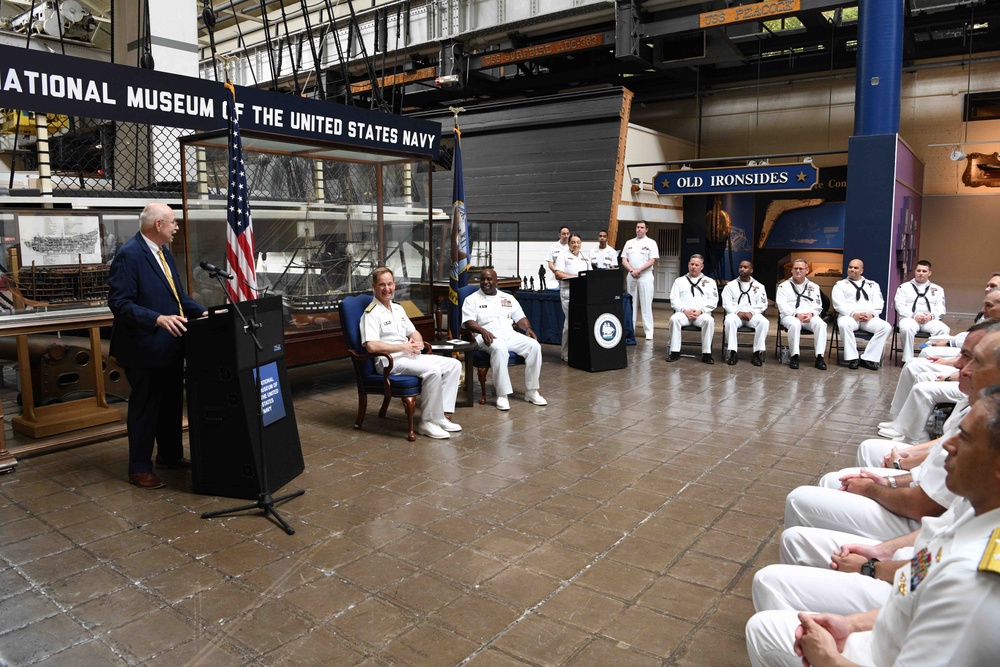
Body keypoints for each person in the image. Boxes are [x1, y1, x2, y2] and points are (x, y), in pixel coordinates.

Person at [746, 386, 1000, 667]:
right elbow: (917, 578)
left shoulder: (973, 581)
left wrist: (827, 658)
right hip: (886, 632)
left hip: (884, 656)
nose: (948, 446)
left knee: (765, 631)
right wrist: (851, 624)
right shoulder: (978, 513)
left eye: (964, 439)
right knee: (771, 590)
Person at [108, 203, 207, 489]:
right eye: (173, 222)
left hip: (171, 345)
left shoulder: (162, 252)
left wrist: (202, 312)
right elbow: (119, 304)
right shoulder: (129, 255)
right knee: (146, 408)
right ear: (158, 225)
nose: (177, 227)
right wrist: (157, 319)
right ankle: (139, 468)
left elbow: (177, 296)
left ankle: (170, 455)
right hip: (143, 347)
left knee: (172, 403)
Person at [361, 267, 462, 440]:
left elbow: (414, 333)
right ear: (374, 286)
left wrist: (418, 342)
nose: (387, 289)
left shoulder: (398, 309)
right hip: (390, 362)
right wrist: (403, 348)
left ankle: (441, 417)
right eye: (382, 285)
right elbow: (371, 346)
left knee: (454, 364)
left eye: (390, 284)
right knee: (433, 371)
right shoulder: (371, 313)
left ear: (395, 284)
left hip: (409, 356)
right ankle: (427, 422)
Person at [461, 268, 546, 411]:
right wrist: (482, 331)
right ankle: (502, 394)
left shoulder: (507, 298)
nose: (485, 282)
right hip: (487, 336)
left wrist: (527, 329)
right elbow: (469, 322)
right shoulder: (472, 299)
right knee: (500, 349)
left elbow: (520, 317)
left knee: (534, 346)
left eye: (489, 279)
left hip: (509, 334)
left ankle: (532, 392)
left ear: (496, 281)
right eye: (482, 279)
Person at [832, 258, 892, 370]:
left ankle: (868, 357)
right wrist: (853, 314)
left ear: (862, 270)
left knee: (886, 327)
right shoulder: (840, 285)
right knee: (844, 325)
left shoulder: (873, 285)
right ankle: (852, 357)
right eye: (850, 267)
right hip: (849, 317)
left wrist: (872, 314)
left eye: (855, 268)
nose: (852, 270)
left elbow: (879, 303)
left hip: (867, 318)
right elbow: (838, 304)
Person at [775, 259, 827, 370]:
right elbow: (782, 306)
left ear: (807, 270)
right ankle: (794, 356)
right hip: (790, 316)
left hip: (809, 316)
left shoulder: (814, 286)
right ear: (792, 270)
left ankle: (819, 357)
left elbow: (818, 305)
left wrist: (812, 314)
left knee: (821, 324)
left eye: (801, 269)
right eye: (795, 268)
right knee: (794, 324)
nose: (798, 271)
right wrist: (795, 315)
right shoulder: (783, 286)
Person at [893, 259, 949, 364]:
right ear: (915, 272)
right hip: (909, 318)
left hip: (929, 319)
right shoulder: (904, 287)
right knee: (906, 328)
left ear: (929, 273)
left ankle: (930, 355)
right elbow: (899, 305)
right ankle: (907, 359)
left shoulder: (937, 289)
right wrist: (914, 316)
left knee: (944, 329)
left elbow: (941, 308)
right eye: (918, 271)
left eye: (924, 271)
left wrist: (931, 316)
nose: (921, 274)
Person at [668, 254, 718, 364]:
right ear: (688, 265)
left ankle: (706, 354)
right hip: (684, 313)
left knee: (709, 320)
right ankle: (674, 352)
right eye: (692, 264)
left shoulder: (709, 282)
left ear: (702, 267)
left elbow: (713, 301)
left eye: (696, 265)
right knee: (674, 319)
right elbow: (674, 299)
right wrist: (684, 310)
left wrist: (701, 311)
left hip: (701, 314)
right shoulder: (679, 281)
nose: (693, 267)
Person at [721, 260, 769, 366]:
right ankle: (733, 352)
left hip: (752, 315)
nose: (742, 269)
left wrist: (752, 312)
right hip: (736, 314)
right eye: (741, 267)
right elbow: (726, 303)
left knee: (764, 322)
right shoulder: (730, 285)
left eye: (745, 267)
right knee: (729, 320)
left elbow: (763, 304)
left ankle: (757, 353)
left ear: (751, 270)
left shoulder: (759, 286)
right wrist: (737, 312)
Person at [554, 234, 590, 363]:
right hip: (568, 292)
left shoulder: (585, 258)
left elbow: (590, 274)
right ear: (569, 244)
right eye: (573, 242)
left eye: (578, 242)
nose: (576, 245)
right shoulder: (563, 256)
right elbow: (558, 274)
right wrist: (575, 277)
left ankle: (576, 351)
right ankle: (566, 353)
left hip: (582, 293)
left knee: (576, 323)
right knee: (570, 322)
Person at [621, 222, 659, 340]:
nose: (639, 229)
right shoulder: (629, 243)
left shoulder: (651, 243)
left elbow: (652, 260)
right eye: (638, 227)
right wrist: (632, 270)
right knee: (631, 303)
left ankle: (648, 331)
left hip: (645, 275)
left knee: (646, 304)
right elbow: (624, 259)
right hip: (631, 275)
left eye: (642, 228)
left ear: (646, 229)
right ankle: (630, 329)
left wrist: (639, 270)